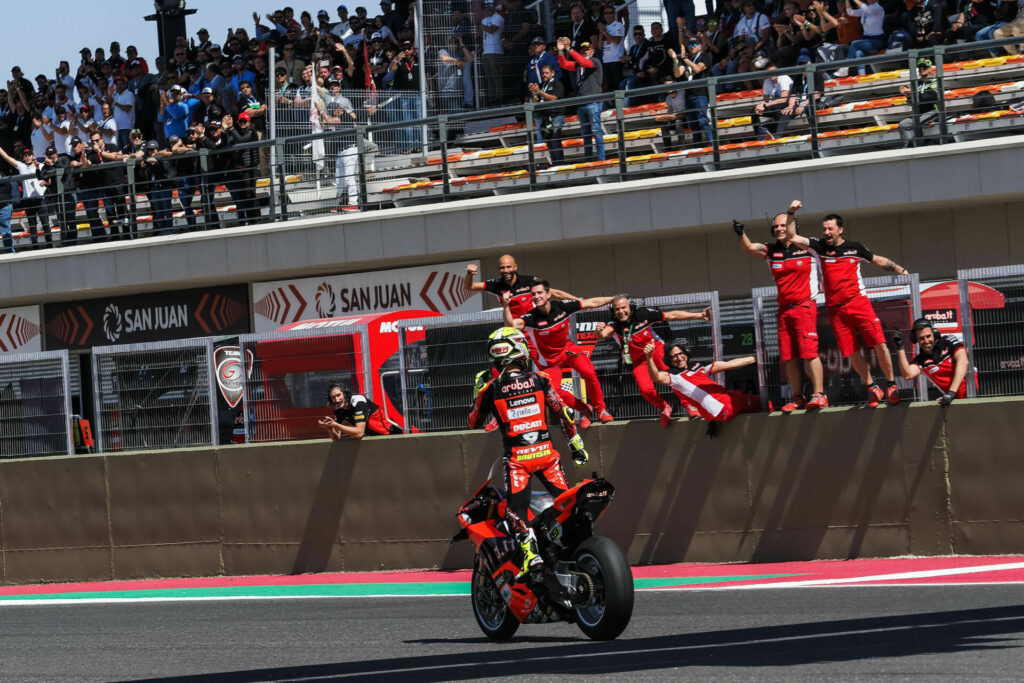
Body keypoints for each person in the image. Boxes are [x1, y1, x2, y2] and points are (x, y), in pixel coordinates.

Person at [468, 334, 589, 577]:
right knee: (565, 502)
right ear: (518, 351)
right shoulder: (540, 379)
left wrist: (476, 393)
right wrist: (575, 444)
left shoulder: (489, 388)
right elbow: (563, 413)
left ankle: (530, 552)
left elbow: (474, 422)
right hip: (547, 455)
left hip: (517, 461)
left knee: (515, 509)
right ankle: (568, 542)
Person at [785, 210, 908, 407]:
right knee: (850, 352)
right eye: (824, 229)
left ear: (840, 229)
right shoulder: (818, 247)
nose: (826, 232)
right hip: (836, 310)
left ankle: (891, 385)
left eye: (830, 229)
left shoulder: (855, 247)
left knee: (879, 343)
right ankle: (872, 387)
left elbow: (877, 259)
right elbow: (792, 236)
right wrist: (791, 213)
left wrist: (900, 270)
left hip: (859, 302)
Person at [734, 201, 828, 412]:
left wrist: (791, 212)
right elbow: (749, 248)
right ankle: (797, 397)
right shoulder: (771, 250)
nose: (779, 229)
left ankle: (819, 395)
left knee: (809, 352)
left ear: (793, 226)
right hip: (784, 311)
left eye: (783, 225)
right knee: (789, 356)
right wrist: (741, 234)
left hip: (805, 307)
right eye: (775, 226)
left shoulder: (809, 248)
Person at [505, 280, 616, 423]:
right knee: (553, 391)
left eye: (540, 293)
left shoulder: (563, 307)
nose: (537, 296)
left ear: (548, 294)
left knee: (589, 373)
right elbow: (510, 325)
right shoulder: (531, 317)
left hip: (568, 349)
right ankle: (584, 408)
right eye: (533, 294)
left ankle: (601, 411)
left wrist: (614, 299)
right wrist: (506, 305)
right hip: (550, 360)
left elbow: (592, 302)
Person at [596, 296, 711, 426]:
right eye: (617, 309)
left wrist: (700, 315)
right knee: (646, 390)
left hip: (655, 349)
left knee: (674, 376)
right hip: (638, 360)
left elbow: (671, 315)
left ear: (631, 307)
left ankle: (689, 404)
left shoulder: (643, 314)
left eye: (623, 308)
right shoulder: (615, 324)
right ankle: (664, 408)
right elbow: (603, 335)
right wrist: (598, 331)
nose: (621, 311)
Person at [645, 341, 760, 435]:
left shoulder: (698, 366)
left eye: (681, 354)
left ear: (686, 353)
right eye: (674, 356)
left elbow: (728, 364)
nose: (679, 358)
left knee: (732, 393)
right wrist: (649, 357)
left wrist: (755, 358)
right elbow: (656, 377)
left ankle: (712, 419)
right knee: (761, 403)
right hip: (725, 408)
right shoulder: (672, 376)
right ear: (669, 360)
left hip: (718, 411)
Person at [894, 319, 970, 405]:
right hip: (954, 400)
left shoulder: (948, 341)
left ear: (934, 334)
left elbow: (963, 361)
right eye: (921, 338)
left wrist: (951, 393)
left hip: (974, 393)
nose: (926, 341)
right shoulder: (921, 360)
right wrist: (900, 348)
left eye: (928, 336)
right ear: (916, 340)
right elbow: (907, 375)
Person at [556, 38, 605, 162]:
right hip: (582, 103)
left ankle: (601, 159)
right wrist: (561, 51)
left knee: (596, 131)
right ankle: (588, 160)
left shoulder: (595, 61)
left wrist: (569, 49)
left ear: (593, 51)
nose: (585, 51)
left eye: (588, 49)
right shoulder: (579, 65)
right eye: (583, 50)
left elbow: (584, 62)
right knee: (586, 134)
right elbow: (564, 64)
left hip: (594, 102)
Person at [319, 383, 401, 438]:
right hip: (375, 438)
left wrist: (336, 425)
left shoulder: (358, 402)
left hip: (391, 435)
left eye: (338, 395)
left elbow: (359, 433)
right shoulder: (338, 411)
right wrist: (329, 428)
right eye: (333, 397)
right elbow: (336, 438)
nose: (337, 400)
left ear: (345, 393)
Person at [529, 64, 566, 165]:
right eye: (543, 73)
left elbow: (553, 98)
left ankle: (560, 165)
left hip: (556, 116)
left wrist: (539, 92)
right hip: (546, 118)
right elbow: (535, 102)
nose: (544, 75)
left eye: (546, 73)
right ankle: (555, 164)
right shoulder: (542, 85)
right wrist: (534, 92)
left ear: (552, 73)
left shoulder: (557, 83)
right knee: (550, 143)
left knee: (555, 141)